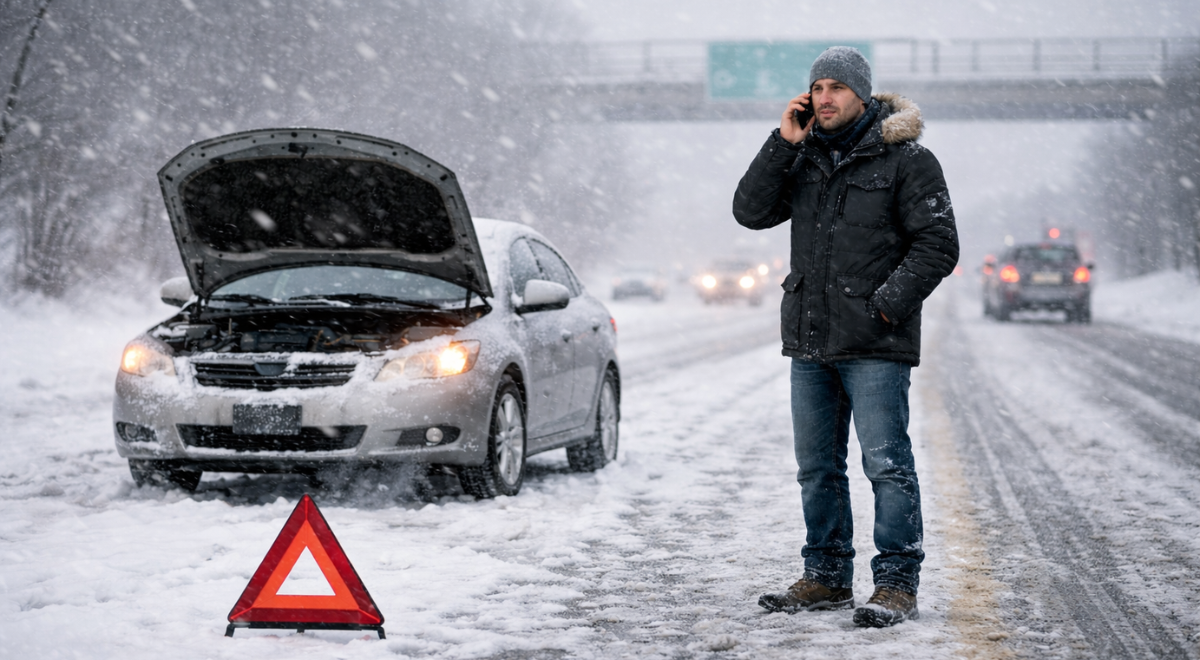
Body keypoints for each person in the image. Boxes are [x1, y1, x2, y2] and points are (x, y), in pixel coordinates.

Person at [731, 46, 959, 628]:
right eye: (817, 87)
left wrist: (884, 306)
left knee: (885, 465)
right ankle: (827, 577)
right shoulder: (802, 158)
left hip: (875, 345)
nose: (824, 97)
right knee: (817, 469)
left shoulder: (909, 161)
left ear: (863, 94)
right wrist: (783, 142)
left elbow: (938, 245)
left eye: (836, 87)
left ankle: (896, 585)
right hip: (810, 342)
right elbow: (749, 212)